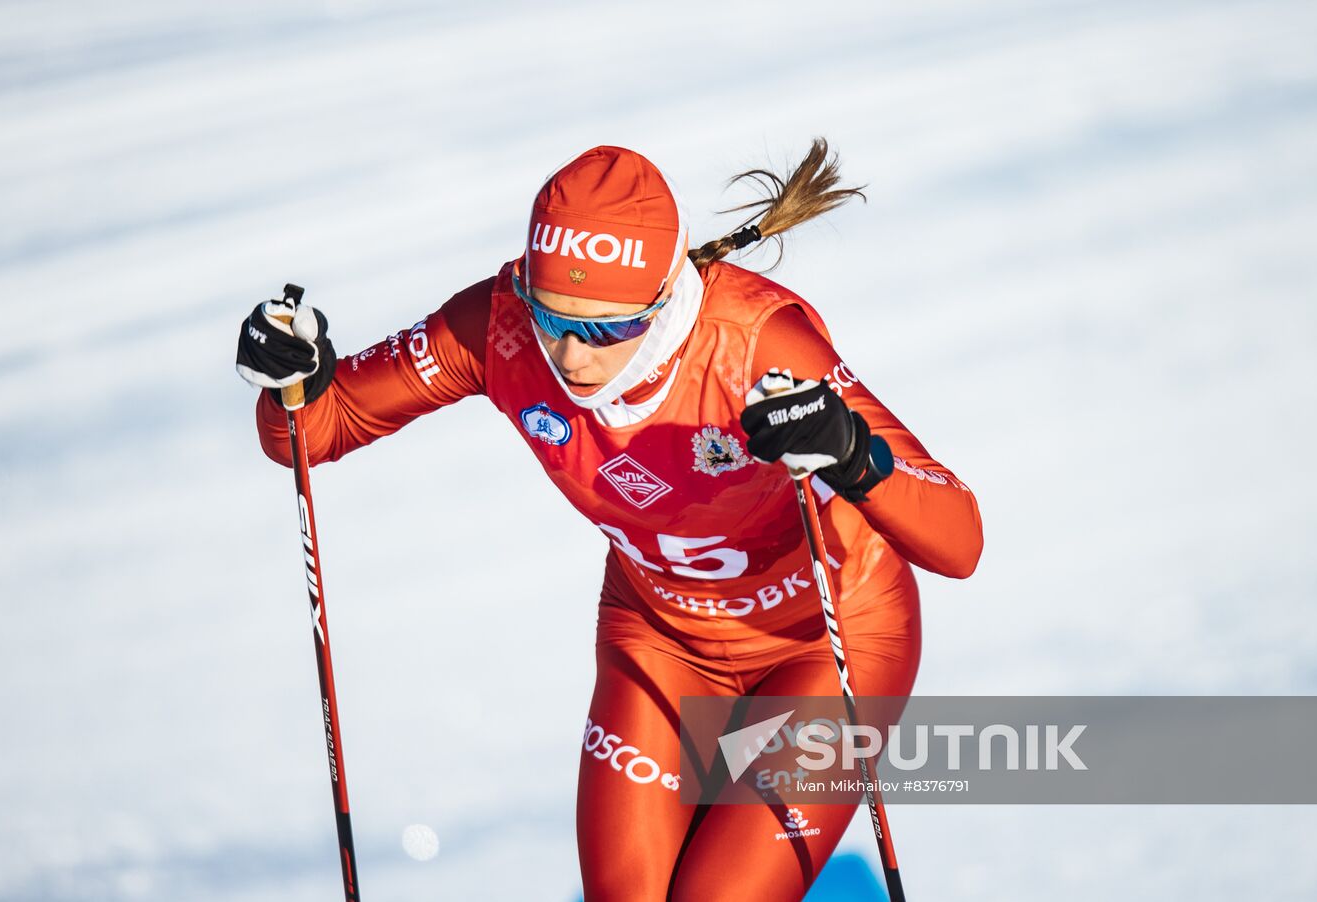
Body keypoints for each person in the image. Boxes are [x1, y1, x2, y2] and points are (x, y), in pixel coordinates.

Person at [236, 140, 983, 901]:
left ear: (663, 299)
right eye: (551, 317)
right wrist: (290, 378)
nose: (570, 355)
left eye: (607, 330)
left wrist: (851, 454)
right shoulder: (498, 327)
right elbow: (314, 431)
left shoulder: (755, 345)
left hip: (829, 645)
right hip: (659, 637)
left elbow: (960, 541)